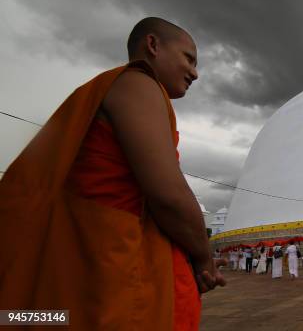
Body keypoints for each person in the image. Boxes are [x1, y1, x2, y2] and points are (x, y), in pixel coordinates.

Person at [0, 17, 225, 330]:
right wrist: (204, 258)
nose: (195, 73)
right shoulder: (138, 84)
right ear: (153, 45)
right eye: (189, 58)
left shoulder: (109, 89)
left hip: (91, 262)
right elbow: (168, 193)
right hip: (115, 269)